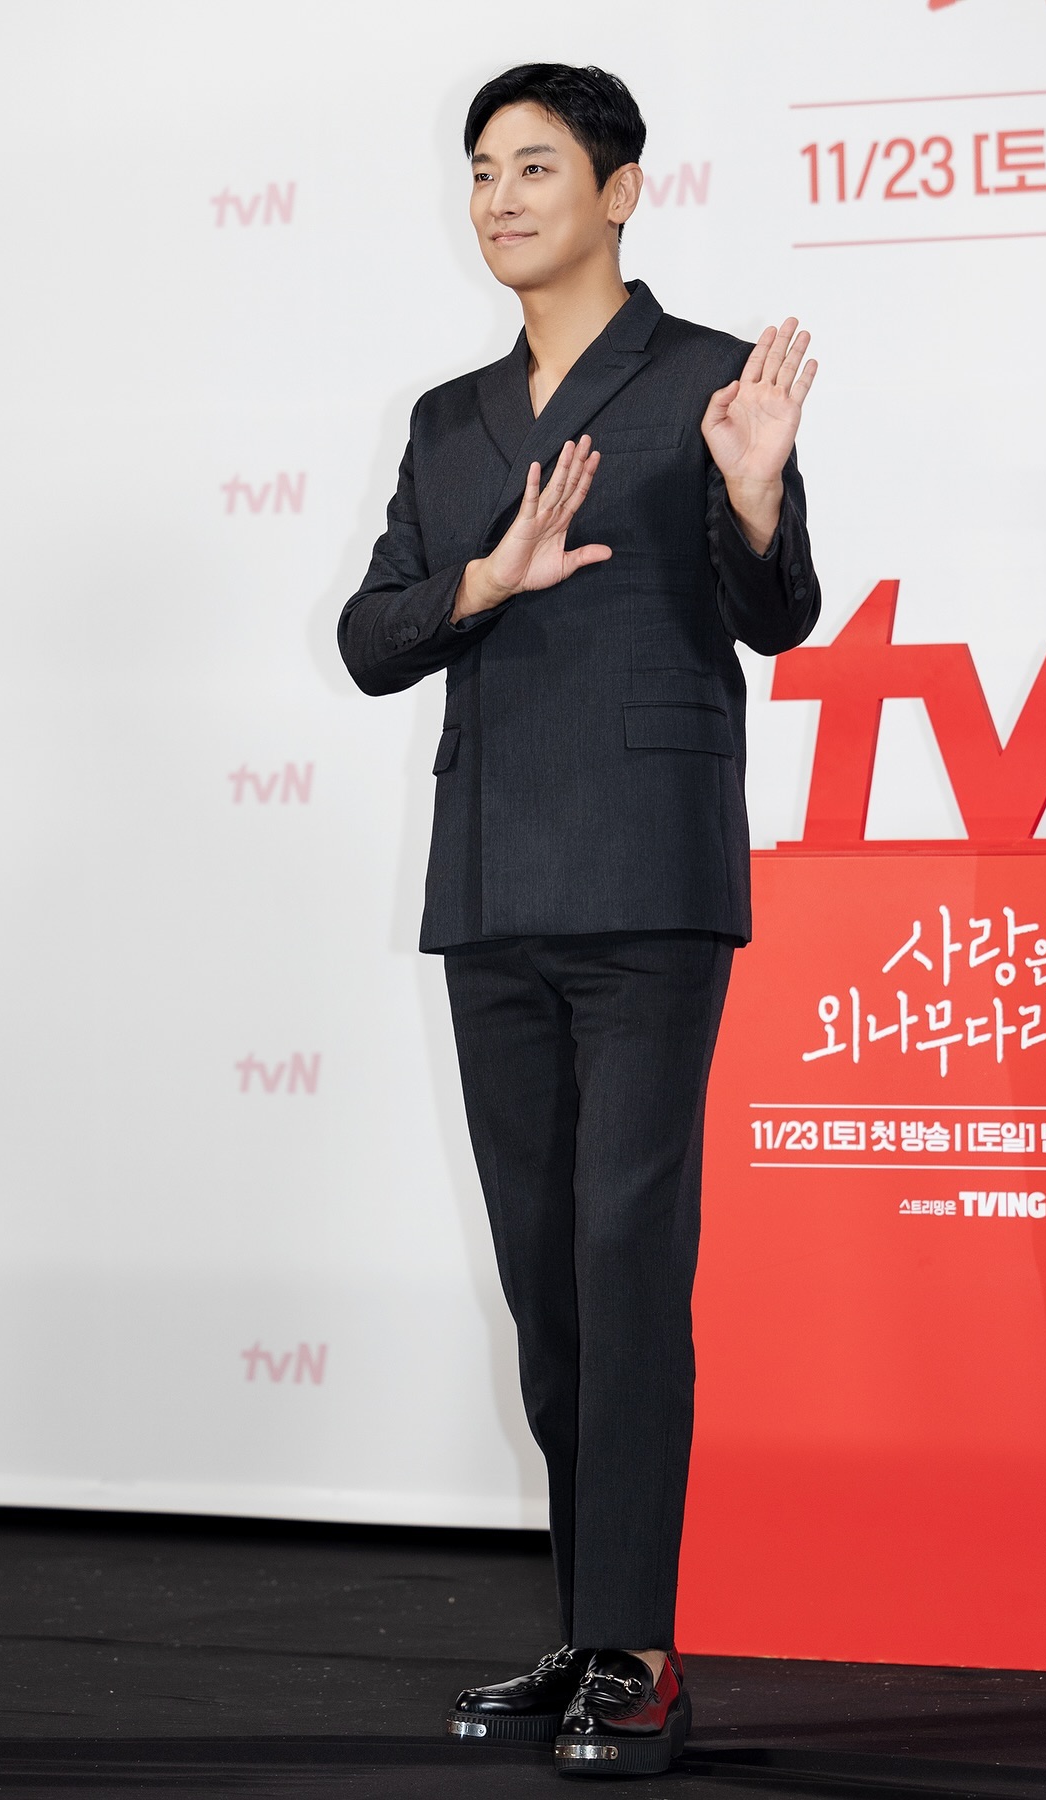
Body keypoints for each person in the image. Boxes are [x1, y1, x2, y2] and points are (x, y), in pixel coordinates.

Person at [338, 61, 819, 1778]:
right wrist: (486, 578)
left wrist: (754, 492)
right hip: (492, 887)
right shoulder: (449, 418)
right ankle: (590, 1625)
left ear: (620, 190)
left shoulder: (708, 382)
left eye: (535, 167)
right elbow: (372, 636)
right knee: (546, 1281)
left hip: (647, 883)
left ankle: (639, 1648)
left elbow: (779, 614)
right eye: (482, 171)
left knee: (626, 1258)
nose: (500, 199)